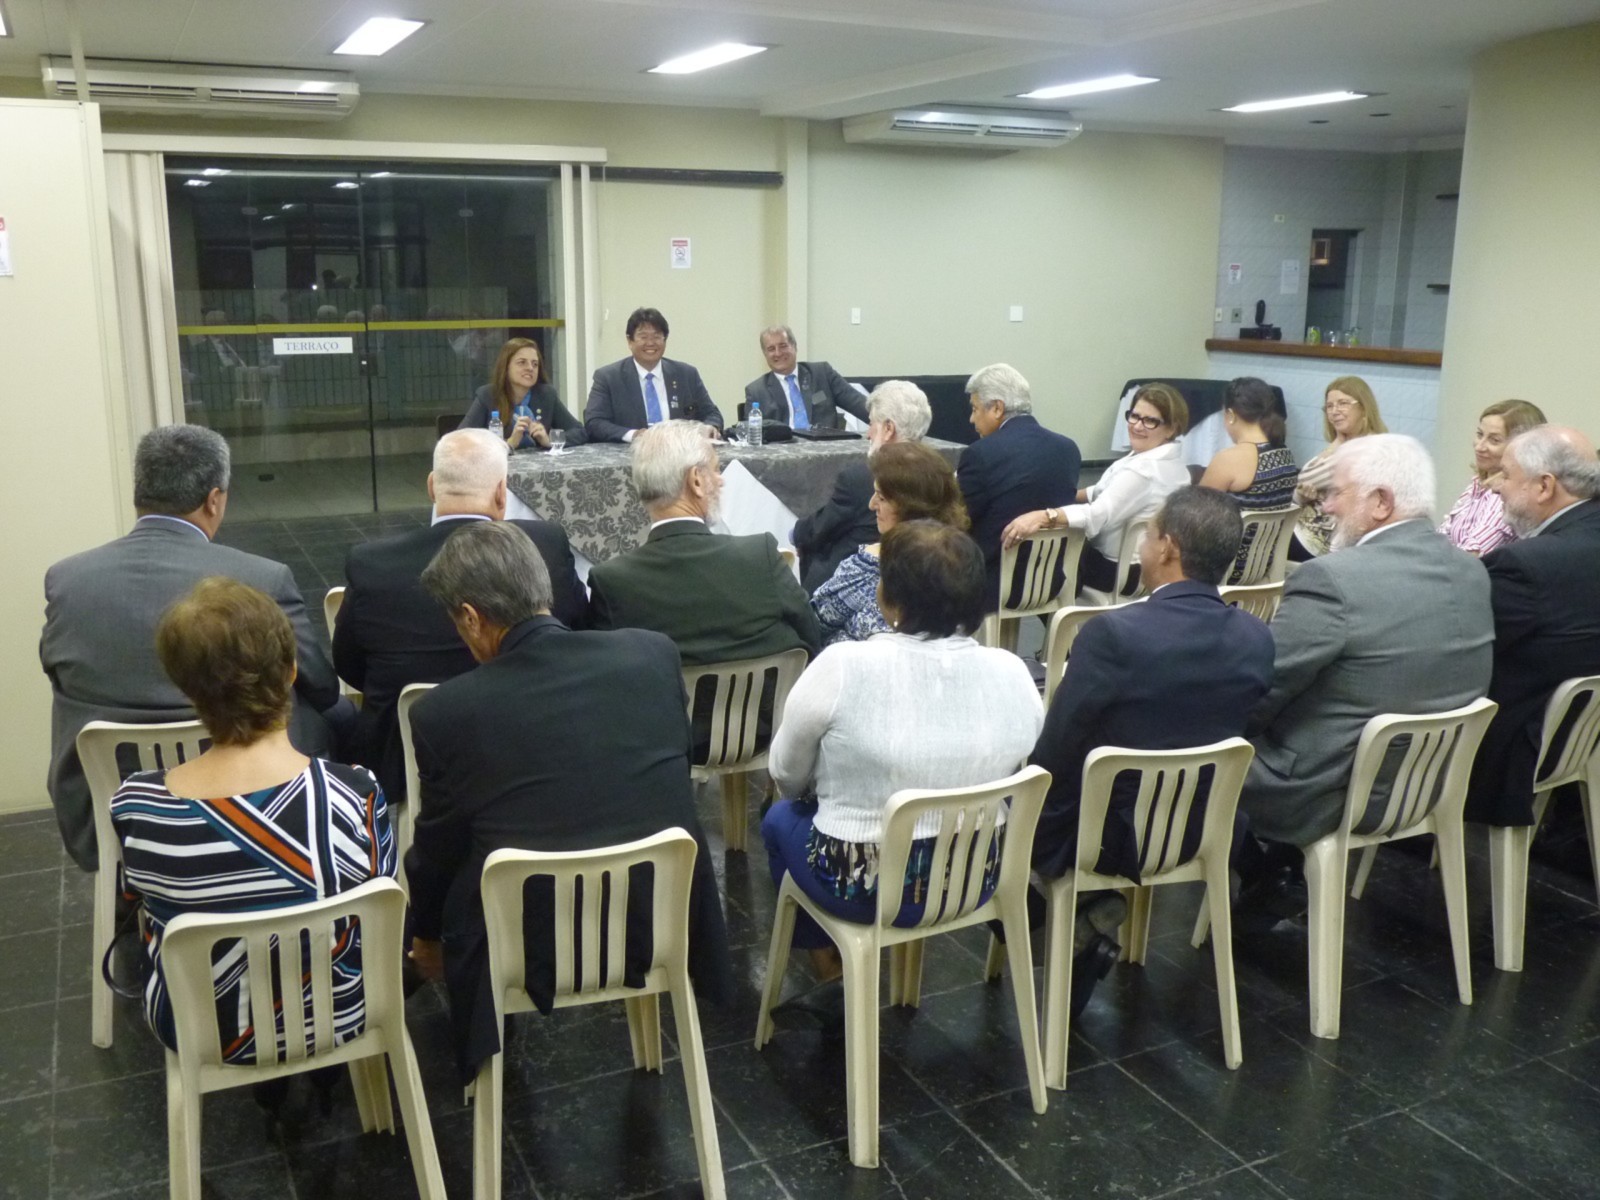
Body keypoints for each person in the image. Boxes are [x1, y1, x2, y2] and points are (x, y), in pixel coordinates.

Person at [403, 521, 731, 1084]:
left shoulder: (445, 713)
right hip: (656, 916)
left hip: (526, 945)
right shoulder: (652, 655)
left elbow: (438, 850)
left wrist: (427, 937)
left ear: (471, 618)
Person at [761, 521, 1042, 1017]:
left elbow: (785, 772)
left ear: (888, 598)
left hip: (860, 885)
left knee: (778, 820)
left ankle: (833, 973)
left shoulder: (843, 665)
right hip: (975, 872)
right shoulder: (1014, 672)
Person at [110, 577, 394, 1064]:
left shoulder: (139, 807)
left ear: (186, 688)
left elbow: (137, 901)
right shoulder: (356, 793)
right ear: (291, 672)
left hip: (203, 1031)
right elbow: (377, 896)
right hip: (343, 1013)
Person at [42, 425, 344, 872]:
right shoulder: (262, 578)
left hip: (105, 816)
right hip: (252, 806)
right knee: (334, 713)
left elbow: (56, 671)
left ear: (140, 492)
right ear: (214, 500)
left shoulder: (67, 581)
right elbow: (319, 683)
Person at [1029, 487, 1274, 1010]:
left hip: (1111, 837)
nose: (1142, 545)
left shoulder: (1113, 633)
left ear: (1168, 548)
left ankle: (1078, 921)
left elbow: (1058, 746)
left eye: (1148, 534)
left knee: (999, 833)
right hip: (1202, 831)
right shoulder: (1257, 637)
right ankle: (1081, 920)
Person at [1240, 434, 1493, 856]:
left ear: (1380, 501)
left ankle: (1232, 875)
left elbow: (1263, 687)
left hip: (1322, 794)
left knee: (1180, 752)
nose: (1326, 506)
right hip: (1426, 785)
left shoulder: (1332, 579)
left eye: (1335, 493)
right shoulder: (1472, 571)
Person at [333, 429, 587, 805]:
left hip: (408, 762)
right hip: (532, 746)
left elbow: (349, 666)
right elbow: (577, 634)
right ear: (501, 493)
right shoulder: (545, 545)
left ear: (432, 487)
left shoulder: (371, 564)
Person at [587, 420, 821, 667]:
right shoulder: (760, 556)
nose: (721, 481)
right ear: (696, 480)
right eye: (716, 470)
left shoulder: (611, 582)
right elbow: (812, 637)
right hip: (770, 693)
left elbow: (604, 671)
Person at [1464, 426, 1600, 828]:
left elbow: (1460, 645)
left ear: (1544, 486)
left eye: (1505, 474)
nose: (1494, 486)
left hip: (1513, 750)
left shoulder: (1525, 565)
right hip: (1581, 738)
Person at [1002, 382, 1191, 597]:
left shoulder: (1143, 470)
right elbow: (1108, 491)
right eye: (1134, 416)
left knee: (1040, 554)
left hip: (1119, 572)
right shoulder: (1175, 466)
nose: (1138, 426)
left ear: (1172, 428)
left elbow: (1096, 515)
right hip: (1150, 568)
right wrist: (1068, 495)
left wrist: (1044, 516)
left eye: (1150, 421)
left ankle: (1033, 607)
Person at [811, 442, 969, 645]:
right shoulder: (960, 562)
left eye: (882, 498)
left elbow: (813, 623)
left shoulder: (867, 568)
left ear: (910, 506)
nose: (871, 505)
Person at [956, 363, 1082, 605]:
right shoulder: (1068, 448)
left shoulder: (980, 454)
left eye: (974, 409)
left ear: (997, 408)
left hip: (991, 583)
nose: (972, 419)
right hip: (1050, 580)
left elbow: (960, 518)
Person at [792, 379, 931, 593]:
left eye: (872, 424)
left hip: (860, 584)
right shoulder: (937, 473)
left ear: (888, 429)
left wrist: (795, 534)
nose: (868, 434)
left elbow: (819, 530)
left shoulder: (862, 478)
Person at [583, 307, 723, 443]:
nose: (650, 343)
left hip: (680, 454)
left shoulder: (686, 374)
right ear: (630, 341)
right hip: (630, 454)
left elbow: (712, 414)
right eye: (643, 337)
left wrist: (711, 427)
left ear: (665, 340)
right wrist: (633, 435)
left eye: (657, 337)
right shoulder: (608, 377)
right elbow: (594, 422)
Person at [1291, 376, 1386, 559]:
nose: (1334, 411)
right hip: (1305, 530)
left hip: (1323, 543)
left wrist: (1337, 442)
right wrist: (1301, 496)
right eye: (1329, 406)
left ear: (1363, 407)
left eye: (1343, 403)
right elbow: (1301, 490)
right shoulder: (1346, 443)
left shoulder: (1368, 448)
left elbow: (1307, 477)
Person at [1438, 399, 1547, 556]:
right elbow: (1442, 537)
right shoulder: (1478, 482)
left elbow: (1470, 557)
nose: (1479, 446)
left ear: (1521, 448)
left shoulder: (1509, 497)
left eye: (1494, 440)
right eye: (1480, 435)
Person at [459, 337, 587, 451]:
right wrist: (507, 444)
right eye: (522, 362)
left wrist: (549, 440)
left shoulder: (546, 395)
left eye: (535, 364)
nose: (530, 368)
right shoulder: (488, 396)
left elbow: (579, 432)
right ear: (506, 367)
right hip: (500, 467)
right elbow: (459, 440)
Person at [1199, 376, 1299, 509]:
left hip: (1234, 523)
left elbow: (1198, 510)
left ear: (1230, 415)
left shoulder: (1229, 459)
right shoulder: (1285, 452)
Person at [742, 325, 869, 429]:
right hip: (781, 450)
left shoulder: (822, 374)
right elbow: (751, 434)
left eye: (783, 346)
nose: (778, 353)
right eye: (771, 349)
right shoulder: (756, 391)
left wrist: (880, 423)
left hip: (824, 448)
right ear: (765, 354)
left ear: (794, 346)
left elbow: (858, 403)